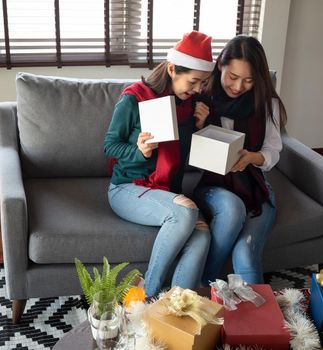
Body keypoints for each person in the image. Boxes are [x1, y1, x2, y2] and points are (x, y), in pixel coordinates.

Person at [104, 31, 215, 297]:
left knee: (202, 235)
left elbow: (187, 159)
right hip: (127, 187)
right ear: (173, 68)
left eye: (203, 83)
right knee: (188, 213)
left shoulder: (189, 106)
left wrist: (200, 128)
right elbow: (109, 145)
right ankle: (147, 294)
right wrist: (138, 150)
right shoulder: (134, 98)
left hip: (167, 192)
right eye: (194, 81)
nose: (198, 89)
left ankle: (176, 307)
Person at [193, 35, 288, 285]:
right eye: (232, 77)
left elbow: (273, 150)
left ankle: (259, 322)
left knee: (246, 255)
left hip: (254, 185)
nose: (238, 87)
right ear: (220, 66)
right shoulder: (202, 96)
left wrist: (252, 157)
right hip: (214, 186)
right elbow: (186, 157)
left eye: (248, 80)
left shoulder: (267, 102)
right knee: (233, 209)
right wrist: (199, 126)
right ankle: (206, 284)